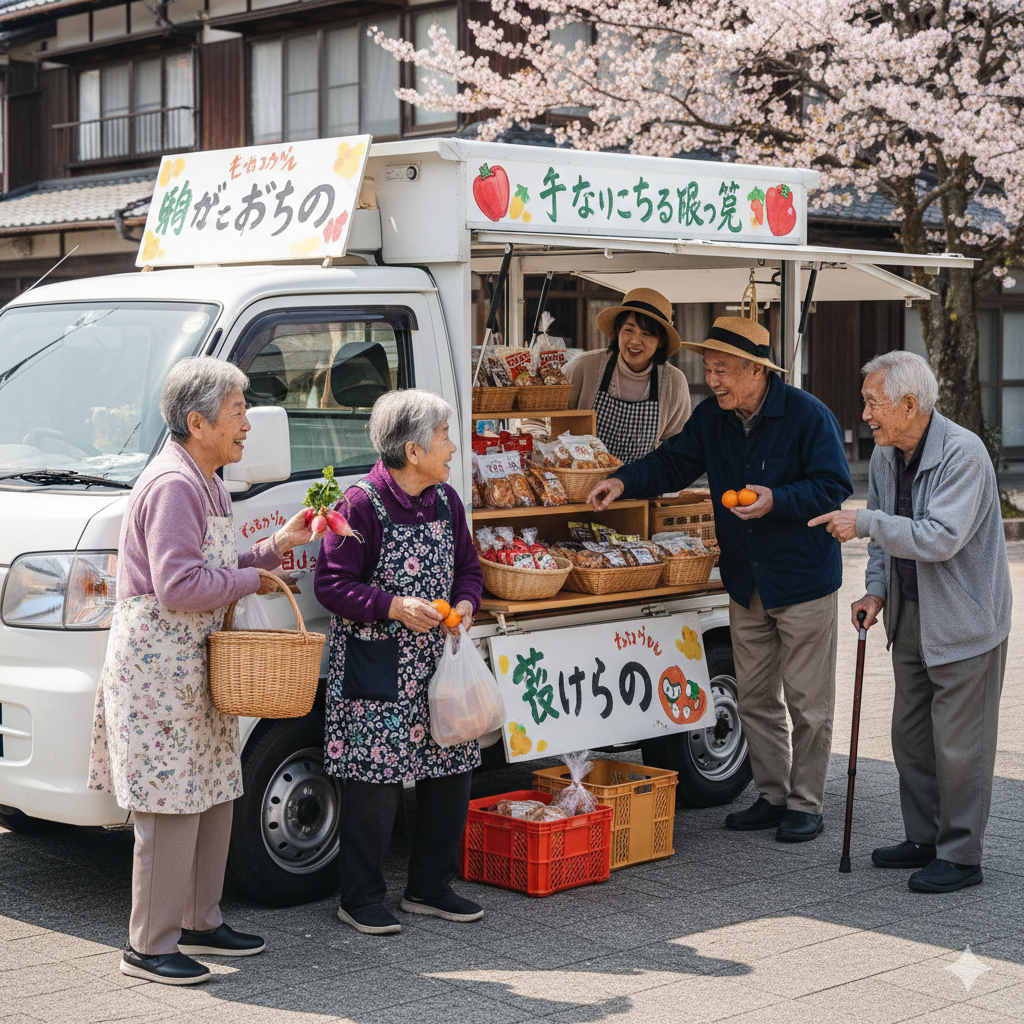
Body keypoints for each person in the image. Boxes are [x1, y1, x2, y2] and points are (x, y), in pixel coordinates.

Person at [88, 357, 317, 985]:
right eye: (239, 410)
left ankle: (199, 919)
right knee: (169, 802)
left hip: (192, 658)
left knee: (215, 786)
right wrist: (254, 576)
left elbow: (215, 562)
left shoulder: (208, 478)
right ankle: (150, 943)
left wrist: (274, 551)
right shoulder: (174, 484)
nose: (248, 423)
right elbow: (179, 584)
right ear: (198, 421)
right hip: (160, 664)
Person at [588, 313, 852, 842]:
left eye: (725, 370)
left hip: (801, 581)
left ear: (757, 370)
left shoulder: (807, 415)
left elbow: (833, 487)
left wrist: (778, 500)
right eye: (709, 368)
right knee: (754, 698)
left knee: (808, 703)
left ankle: (807, 803)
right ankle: (772, 796)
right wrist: (622, 481)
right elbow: (671, 463)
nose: (714, 380)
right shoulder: (713, 419)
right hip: (745, 580)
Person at [810, 351, 1011, 893]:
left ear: (909, 403)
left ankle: (962, 854)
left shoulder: (962, 455)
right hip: (911, 611)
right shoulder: (884, 455)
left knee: (960, 744)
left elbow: (939, 537)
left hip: (967, 618)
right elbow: (884, 542)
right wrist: (875, 592)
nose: (866, 414)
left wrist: (867, 522)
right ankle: (923, 838)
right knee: (911, 735)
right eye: (866, 403)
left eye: (874, 403)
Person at [314, 388, 485, 936]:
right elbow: (331, 585)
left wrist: (465, 603)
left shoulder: (446, 500)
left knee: (450, 768)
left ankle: (430, 887)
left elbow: (469, 569)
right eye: (443, 437)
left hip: (437, 660)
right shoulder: (359, 504)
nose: (453, 447)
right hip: (377, 664)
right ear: (413, 450)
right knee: (374, 781)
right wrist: (392, 605)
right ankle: (359, 897)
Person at [563, 288, 691, 463]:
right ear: (617, 331)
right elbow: (545, 419)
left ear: (660, 341)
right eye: (629, 330)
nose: (635, 340)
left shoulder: (674, 382)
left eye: (646, 333)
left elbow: (675, 446)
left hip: (642, 486)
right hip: (582, 484)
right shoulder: (584, 367)